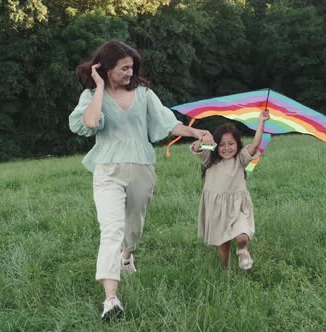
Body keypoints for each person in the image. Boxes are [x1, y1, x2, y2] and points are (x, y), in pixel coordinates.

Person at [69, 40, 214, 320]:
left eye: (131, 68)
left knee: (133, 228)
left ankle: (127, 256)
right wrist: (98, 87)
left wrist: (194, 133)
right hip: (108, 171)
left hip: (142, 168)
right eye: (123, 68)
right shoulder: (91, 96)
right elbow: (89, 123)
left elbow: (166, 122)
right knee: (110, 230)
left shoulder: (144, 94)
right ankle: (111, 300)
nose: (129, 73)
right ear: (106, 68)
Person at [190, 110, 269, 270]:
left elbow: (254, 146)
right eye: (222, 145)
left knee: (241, 236)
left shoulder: (240, 158)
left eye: (231, 144)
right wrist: (202, 139)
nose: (227, 148)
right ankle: (226, 270)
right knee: (223, 243)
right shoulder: (209, 160)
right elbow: (196, 148)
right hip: (217, 209)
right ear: (215, 146)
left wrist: (261, 122)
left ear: (238, 144)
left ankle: (242, 250)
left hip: (237, 206)